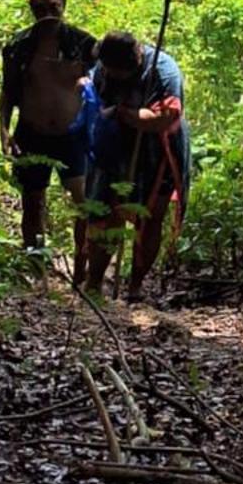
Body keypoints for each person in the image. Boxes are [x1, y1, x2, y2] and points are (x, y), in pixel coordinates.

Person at [0, 0, 97, 281]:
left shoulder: (82, 43)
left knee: (83, 203)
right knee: (32, 202)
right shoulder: (18, 47)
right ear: (31, 9)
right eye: (40, 8)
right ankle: (36, 271)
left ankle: (82, 273)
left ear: (63, 6)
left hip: (73, 136)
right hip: (32, 132)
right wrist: (4, 131)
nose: (47, 13)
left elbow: (104, 84)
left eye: (53, 6)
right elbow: (9, 92)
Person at [84, 30, 191, 303]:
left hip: (158, 151)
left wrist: (127, 115)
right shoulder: (101, 69)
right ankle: (93, 284)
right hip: (114, 147)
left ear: (137, 57)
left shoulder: (164, 71)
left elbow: (164, 118)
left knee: (149, 217)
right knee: (106, 212)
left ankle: (135, 287)